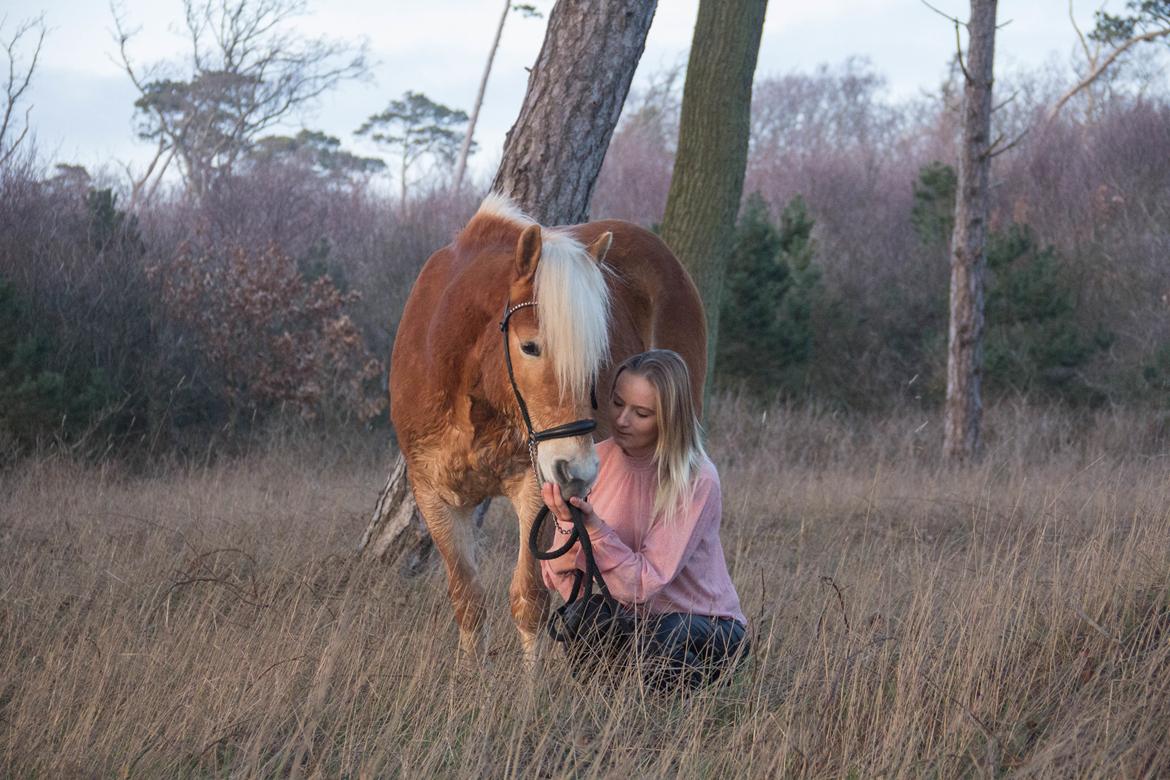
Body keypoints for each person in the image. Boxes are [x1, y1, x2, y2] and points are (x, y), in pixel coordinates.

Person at [540, 349, 748, 690]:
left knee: (661, 639)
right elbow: (558, 578)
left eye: (641, 413)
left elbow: (641, 586)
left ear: (670, 418)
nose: (622, 420)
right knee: (583, 618)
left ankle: (680, 720)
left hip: (707, 630)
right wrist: (565, 523)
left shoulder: (696, 479)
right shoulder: (594, 462)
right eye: (618, 403)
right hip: (635, 625)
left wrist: (594, 529)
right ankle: (606, 709)